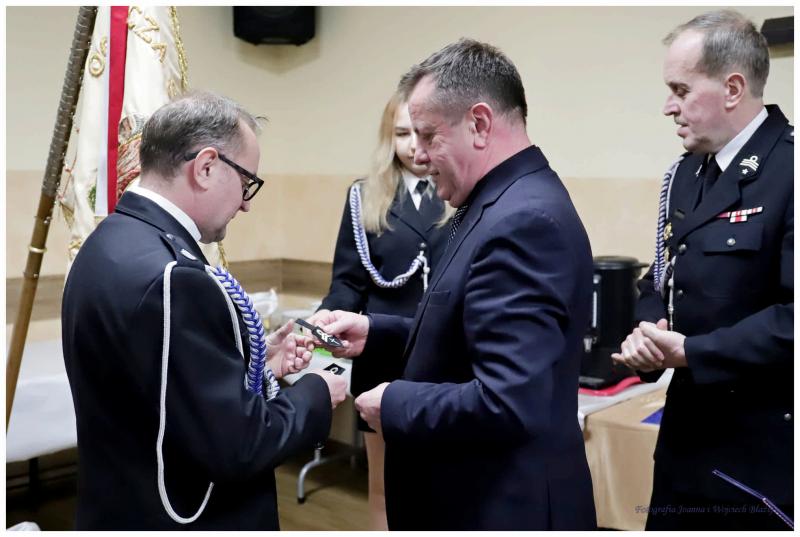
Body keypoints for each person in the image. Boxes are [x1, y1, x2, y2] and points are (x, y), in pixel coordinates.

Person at [311, 39, 597, 530]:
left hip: (502, 506)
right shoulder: (494, 201)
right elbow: (472, 334)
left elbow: (508, 402)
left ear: (479, 124)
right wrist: (377, 331)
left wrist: (396, 403)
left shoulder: (523, 220)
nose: (419, 156)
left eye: (428, 136)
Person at [61, 91, 347, 530]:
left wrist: (257, 363)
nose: (247, 202)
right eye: (247, 181)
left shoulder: (108, 242)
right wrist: (316, 391)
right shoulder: (176, 277)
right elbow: (240, 447)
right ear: (206, 166)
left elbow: (162, 389)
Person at [612, 10, 793, 530]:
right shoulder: (688, 173)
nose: (668, 107)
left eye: (681, 90)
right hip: (685, 444)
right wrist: (649, 331)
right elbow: (663, 275)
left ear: (732, 88)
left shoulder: (790, 171)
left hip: (759, 457)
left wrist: (692, 352)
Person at [309, 89, 450, 530]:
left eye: (422, 134)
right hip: (383, 359)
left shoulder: (460, 190)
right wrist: (327, 318)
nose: (413, 145)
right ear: (388, 137)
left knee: (444, 486)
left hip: (443, 360)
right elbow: (349, 281)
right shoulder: (365, 195)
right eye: (401, 134)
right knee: (385, 487)